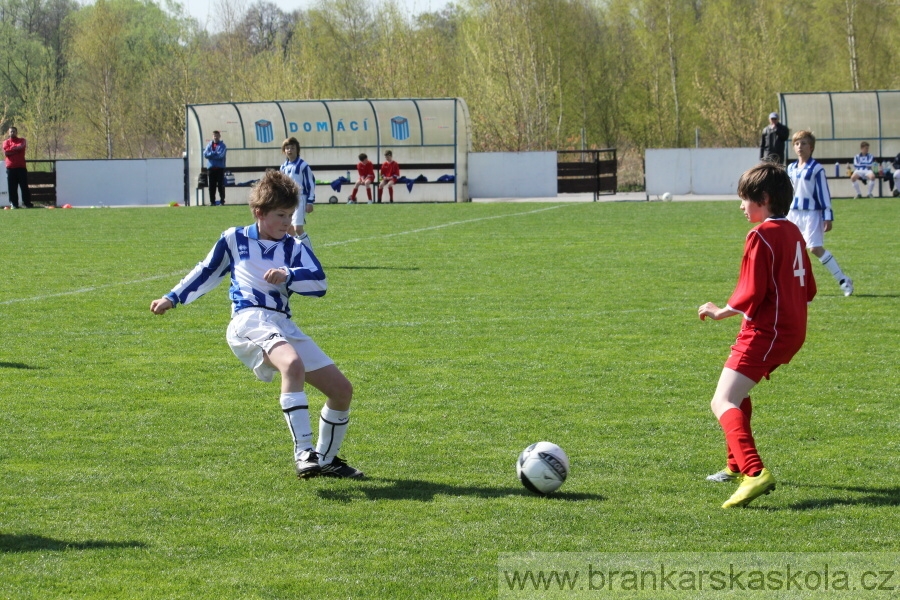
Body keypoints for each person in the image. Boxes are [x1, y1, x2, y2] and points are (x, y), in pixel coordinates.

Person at [149, 170, 363, 480]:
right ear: (259, 212)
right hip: (249, 320)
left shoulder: (294, 246)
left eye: (290, 215)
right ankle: (304, 452)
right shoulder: (234, 238)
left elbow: (320, 284)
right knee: (292, 365)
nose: (287, 222)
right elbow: (206, 271)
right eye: (280, 215)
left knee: (342, 390)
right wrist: (172, 297)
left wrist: (288, 275)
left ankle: (326, 459)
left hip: (281, 324)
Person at [699, 162, 816, 509]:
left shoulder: (760, 235)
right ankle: (735, 465)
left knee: (721, 401)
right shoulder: (793, 231)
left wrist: (720, 311)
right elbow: (808, 289)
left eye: (745, 199)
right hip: (788, 329)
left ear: (763, 198)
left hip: (768, 331)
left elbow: (751, 290)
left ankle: (754, 472)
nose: (741, 206)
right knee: (736, 392)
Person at [787, 130, 854, 296]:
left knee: (815, 248)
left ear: (811, 147)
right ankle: (793, 286)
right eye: (797, 144)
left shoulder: (816, 169)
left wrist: (827, 216)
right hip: (793, 214)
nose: (799, 147)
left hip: (811, 214)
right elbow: (787, 192)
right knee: (791, 249)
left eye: (803, 143)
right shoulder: (791, 168)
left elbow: (824, 193)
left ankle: (843, 280)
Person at [279, 137, 315, 248]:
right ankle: (294, 253)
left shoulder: (303, 166)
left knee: (298, 228)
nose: (289, 150)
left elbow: (310, 183)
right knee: (288, 229)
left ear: (297, 149)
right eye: (287, 148)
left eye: (292, 148)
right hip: (288, 200)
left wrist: (310, 201)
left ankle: (309, 253)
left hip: (300, 198)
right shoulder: (283, 167)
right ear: (284, 150)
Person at [3, 126, 33, 209]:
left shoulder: (22, 140)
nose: (12, 133)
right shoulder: (6, 142)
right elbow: (6, 152)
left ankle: (27, 203)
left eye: (14, 131)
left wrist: (12, 149)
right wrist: (16, 150)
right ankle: (14, 204)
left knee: (24, 186)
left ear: (16, 132)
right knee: (12, 187)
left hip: (21, 167)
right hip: (10, 168)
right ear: (8, 133)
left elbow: (21, 147)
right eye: (11, 131)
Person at [203, 130, 227, 206]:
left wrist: (211, 156)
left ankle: (222, 201)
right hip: (211, 169)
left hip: (219, 169)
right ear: (212, 136)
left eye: (217, 135)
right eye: (214, 136)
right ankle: (212, 202)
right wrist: (214, 153)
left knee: (220, 186)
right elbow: (205, 154)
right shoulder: (209, 145)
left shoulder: (223, 146)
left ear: (219, 136)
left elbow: (221, 156)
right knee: (211, 186)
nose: (215, 137)